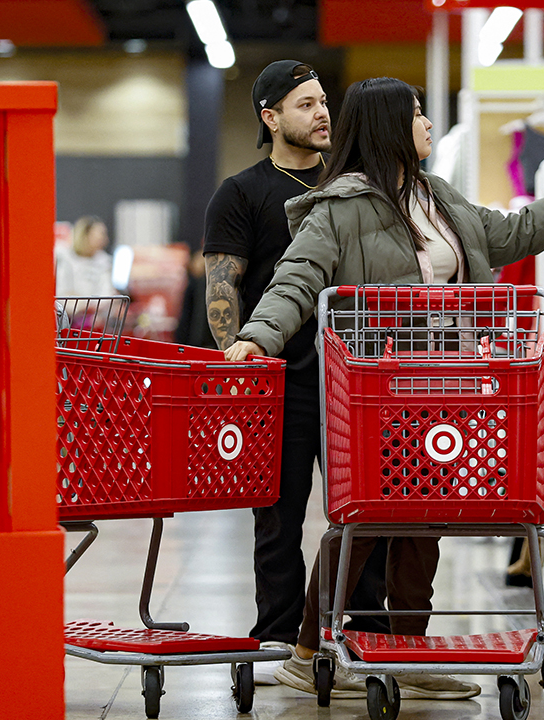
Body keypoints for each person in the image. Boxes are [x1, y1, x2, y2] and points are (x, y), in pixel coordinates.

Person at [224, 76, 544, 697]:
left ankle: (407, 652)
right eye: (417, 114)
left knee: (428, 517)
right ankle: (308, 647)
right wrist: (258, 336)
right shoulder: (339, 208)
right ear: (391, 124)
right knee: (367, 517)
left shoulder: (436, 196)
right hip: (375, 392)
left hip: (451, 384)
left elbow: (511, 233)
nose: (427, 124)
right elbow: (295, 278)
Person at [203, 60, 394, 695]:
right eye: (305, 104)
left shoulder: (353, 188)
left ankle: (362, 635)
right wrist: (242, 371)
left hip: (356, 383)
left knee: (363, 516)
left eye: (323, 103)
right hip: (280, 384)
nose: (321, 114)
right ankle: (280, 638)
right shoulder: (242, 192)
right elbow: (222, 289)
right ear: (270, 116)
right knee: (279, 521)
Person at [56, 216, 117, 298]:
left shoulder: (104, 261)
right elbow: (61, 292)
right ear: (85, 235)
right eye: (100, 234)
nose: (105, 240)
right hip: (70, 309)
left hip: (98, 309)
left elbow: (107, 294)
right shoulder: (64, 257)